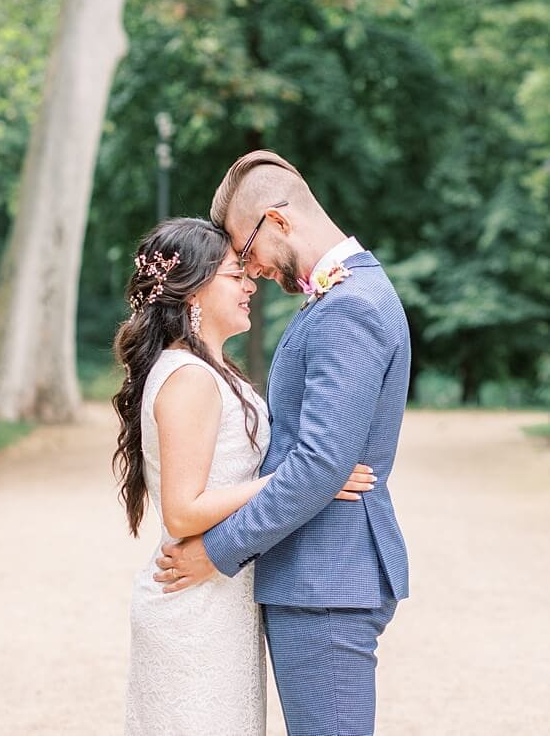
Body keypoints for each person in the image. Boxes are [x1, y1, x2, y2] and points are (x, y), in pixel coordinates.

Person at [154, 151, 410, 736]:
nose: (254, 273)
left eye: (246, 252)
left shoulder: (351, 308)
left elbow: (319, 463)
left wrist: (213, 552)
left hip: (327, 577)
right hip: (317, 576)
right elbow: (312, 457)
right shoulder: (343, 298)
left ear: (279, 220)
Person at [113, 216, 375, 735]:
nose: (250, 284)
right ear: (193, 291)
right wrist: (306, 482)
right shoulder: (188, 377)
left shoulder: (213, 369)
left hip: (221, 600)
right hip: (192, 608)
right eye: (236, 274)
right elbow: (183, 510)